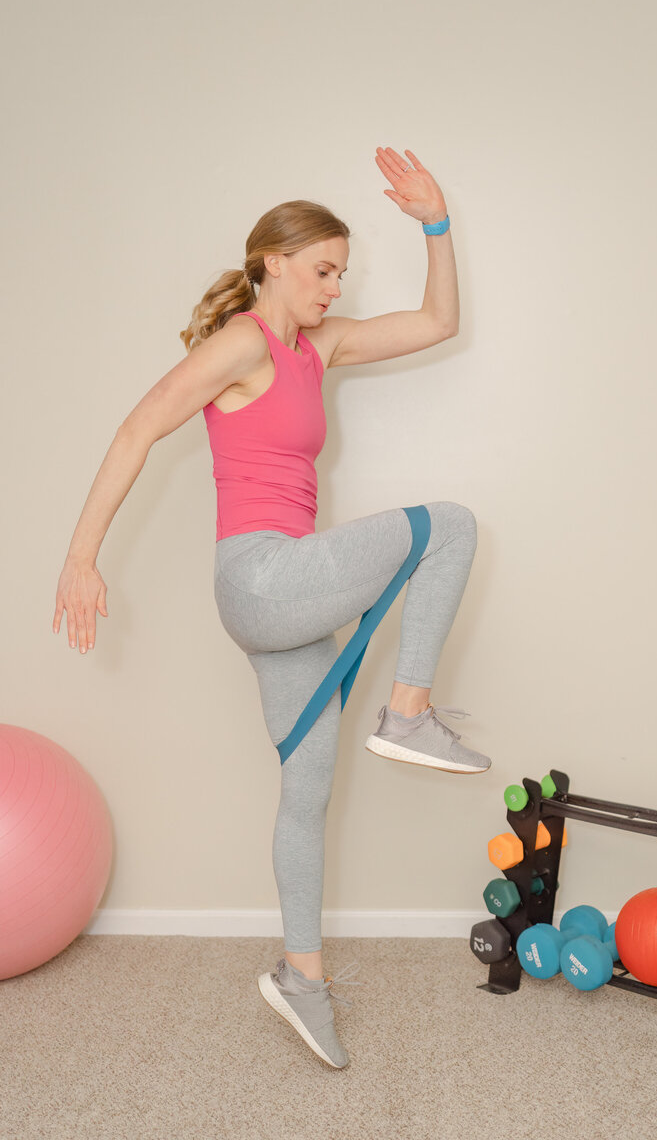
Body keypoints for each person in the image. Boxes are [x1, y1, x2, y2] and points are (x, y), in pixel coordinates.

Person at [52, 145, 490, 1070]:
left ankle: (302, 977)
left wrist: (437, 225)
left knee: (309, 787)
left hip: (282, 592)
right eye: (325, 270)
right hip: (261, 578)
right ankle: (408, 711)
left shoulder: (318, 348)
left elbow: (441, 321)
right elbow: (139, 426)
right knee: (446, 524)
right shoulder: (244, 341)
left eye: (342, 273)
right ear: (272, 263)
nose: (336, 287)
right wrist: (83, 556)